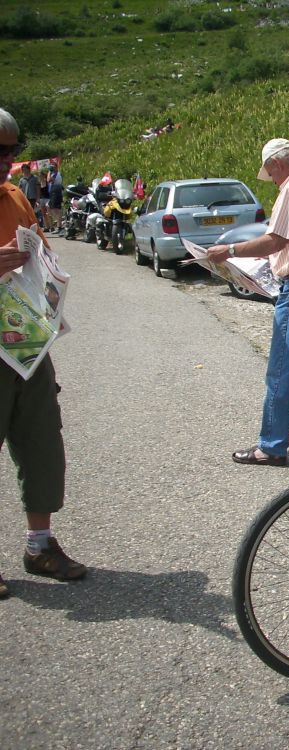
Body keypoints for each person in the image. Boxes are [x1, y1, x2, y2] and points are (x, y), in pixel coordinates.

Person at [207, 138, 289, 466]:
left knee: (284, 370)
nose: (273, 180)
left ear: (278, 164)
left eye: (271, 173)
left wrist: (231, 251)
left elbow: (277, 239)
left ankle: (271, 446)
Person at [0, 108, 87, 599]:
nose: (7, 161)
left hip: (27, 345)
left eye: (10, 151)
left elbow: (42, 254)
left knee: (42, 447)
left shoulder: (16, 197)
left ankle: (40, 545)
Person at [47, 163, 63, 234]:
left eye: (53, 167)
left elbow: (48, 180)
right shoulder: (54, 174)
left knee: (56, 210)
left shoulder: (56, 174)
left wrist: (49, 172)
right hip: (53, 193)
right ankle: (58, 224)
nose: (52, 169)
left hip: (56, 194)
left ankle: (59, 226)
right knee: (49, 207)